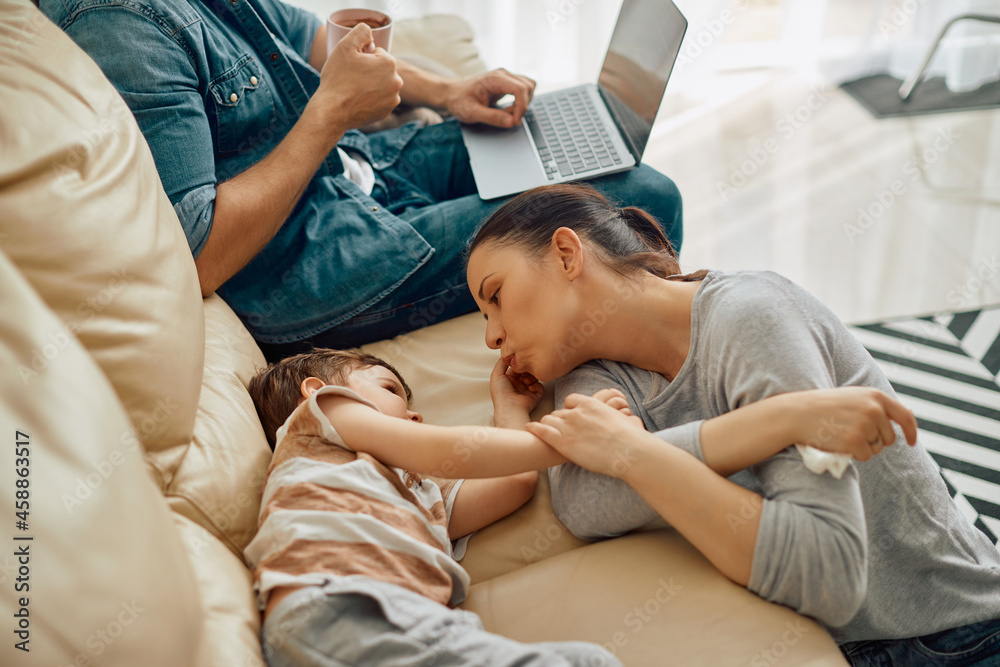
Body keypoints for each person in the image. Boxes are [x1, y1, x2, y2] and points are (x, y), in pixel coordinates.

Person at [464, 183, 1000, 667]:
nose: (491, 336)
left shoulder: (751, 317)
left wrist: (638, 453)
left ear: (565, 254)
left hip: (954, 633)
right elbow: (583, 502)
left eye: (495, 297)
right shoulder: (595, 371)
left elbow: (828, 575)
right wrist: (516, 416)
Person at [40, 0, 683, 361]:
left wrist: (450, 90)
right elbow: (198, 255)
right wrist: (330, 113)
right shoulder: (118, 26)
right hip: (323, 261)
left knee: (566, 145)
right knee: (638, 199)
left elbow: (310, 39)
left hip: (368, 172)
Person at [245, 347, 624, 666]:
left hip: (403, 622)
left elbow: (514, 481)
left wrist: (509, 407)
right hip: (342, 608)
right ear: (316, 391)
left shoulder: (416, 492)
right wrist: (570, 439)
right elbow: (443, 449)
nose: (415, 417)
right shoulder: (319, 420)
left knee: (587, 659)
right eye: (390, 389)